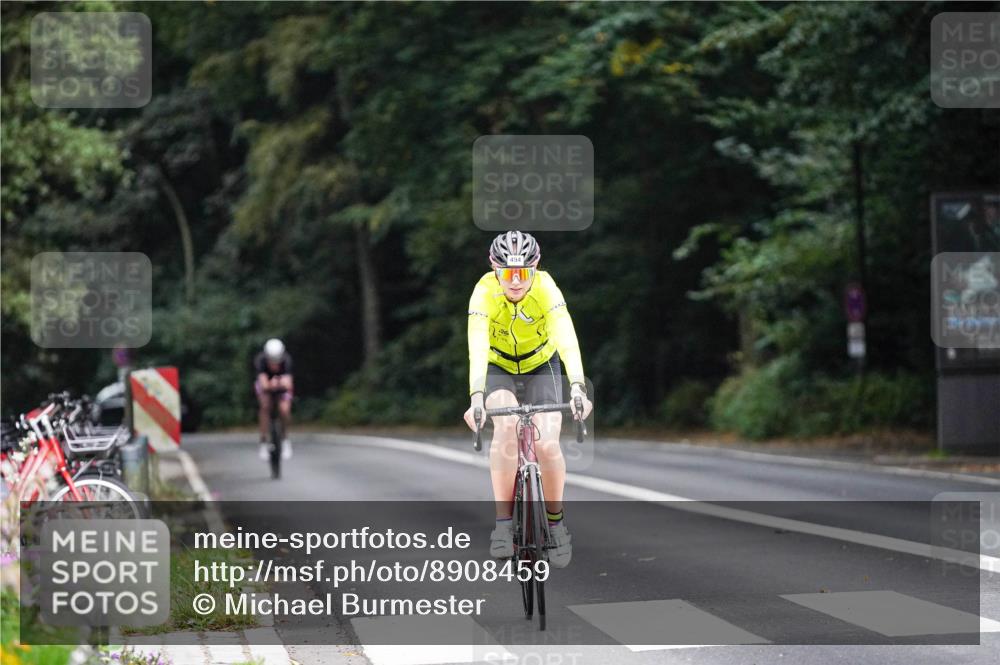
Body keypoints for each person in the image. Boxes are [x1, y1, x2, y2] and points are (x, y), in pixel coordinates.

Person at [463, 231, 593, 568]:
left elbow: (566, 335)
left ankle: (556, 525)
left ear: (535, 268)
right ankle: (503, 526)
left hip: (541, 364)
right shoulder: (483, 291)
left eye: (524, 272)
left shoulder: (546, 287)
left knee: (547, 443)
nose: (516, 281)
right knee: (505, 428)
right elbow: (477, 346)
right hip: (499, 366)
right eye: (508, 273)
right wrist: (476, 397)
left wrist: (577, 387)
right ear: (494, 269)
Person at [254, 338, 294, 461]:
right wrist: (272, 384)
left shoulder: (286, 360)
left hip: (281, 386)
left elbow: (288, 383)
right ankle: (263, 441)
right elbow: (263, 384)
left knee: (284, 410)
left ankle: (285, 439)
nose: (274, 364)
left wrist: (278, 384)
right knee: (265, 406)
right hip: (266, 385)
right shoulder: (260, 360)